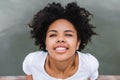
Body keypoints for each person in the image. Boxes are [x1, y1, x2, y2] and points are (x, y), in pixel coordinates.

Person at [22, 2, 99, 80]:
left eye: (68, 34)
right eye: (53, 35)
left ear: (78, 43)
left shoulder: (90, 64)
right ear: (45, 42)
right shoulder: (32, 61)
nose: (60, 39)